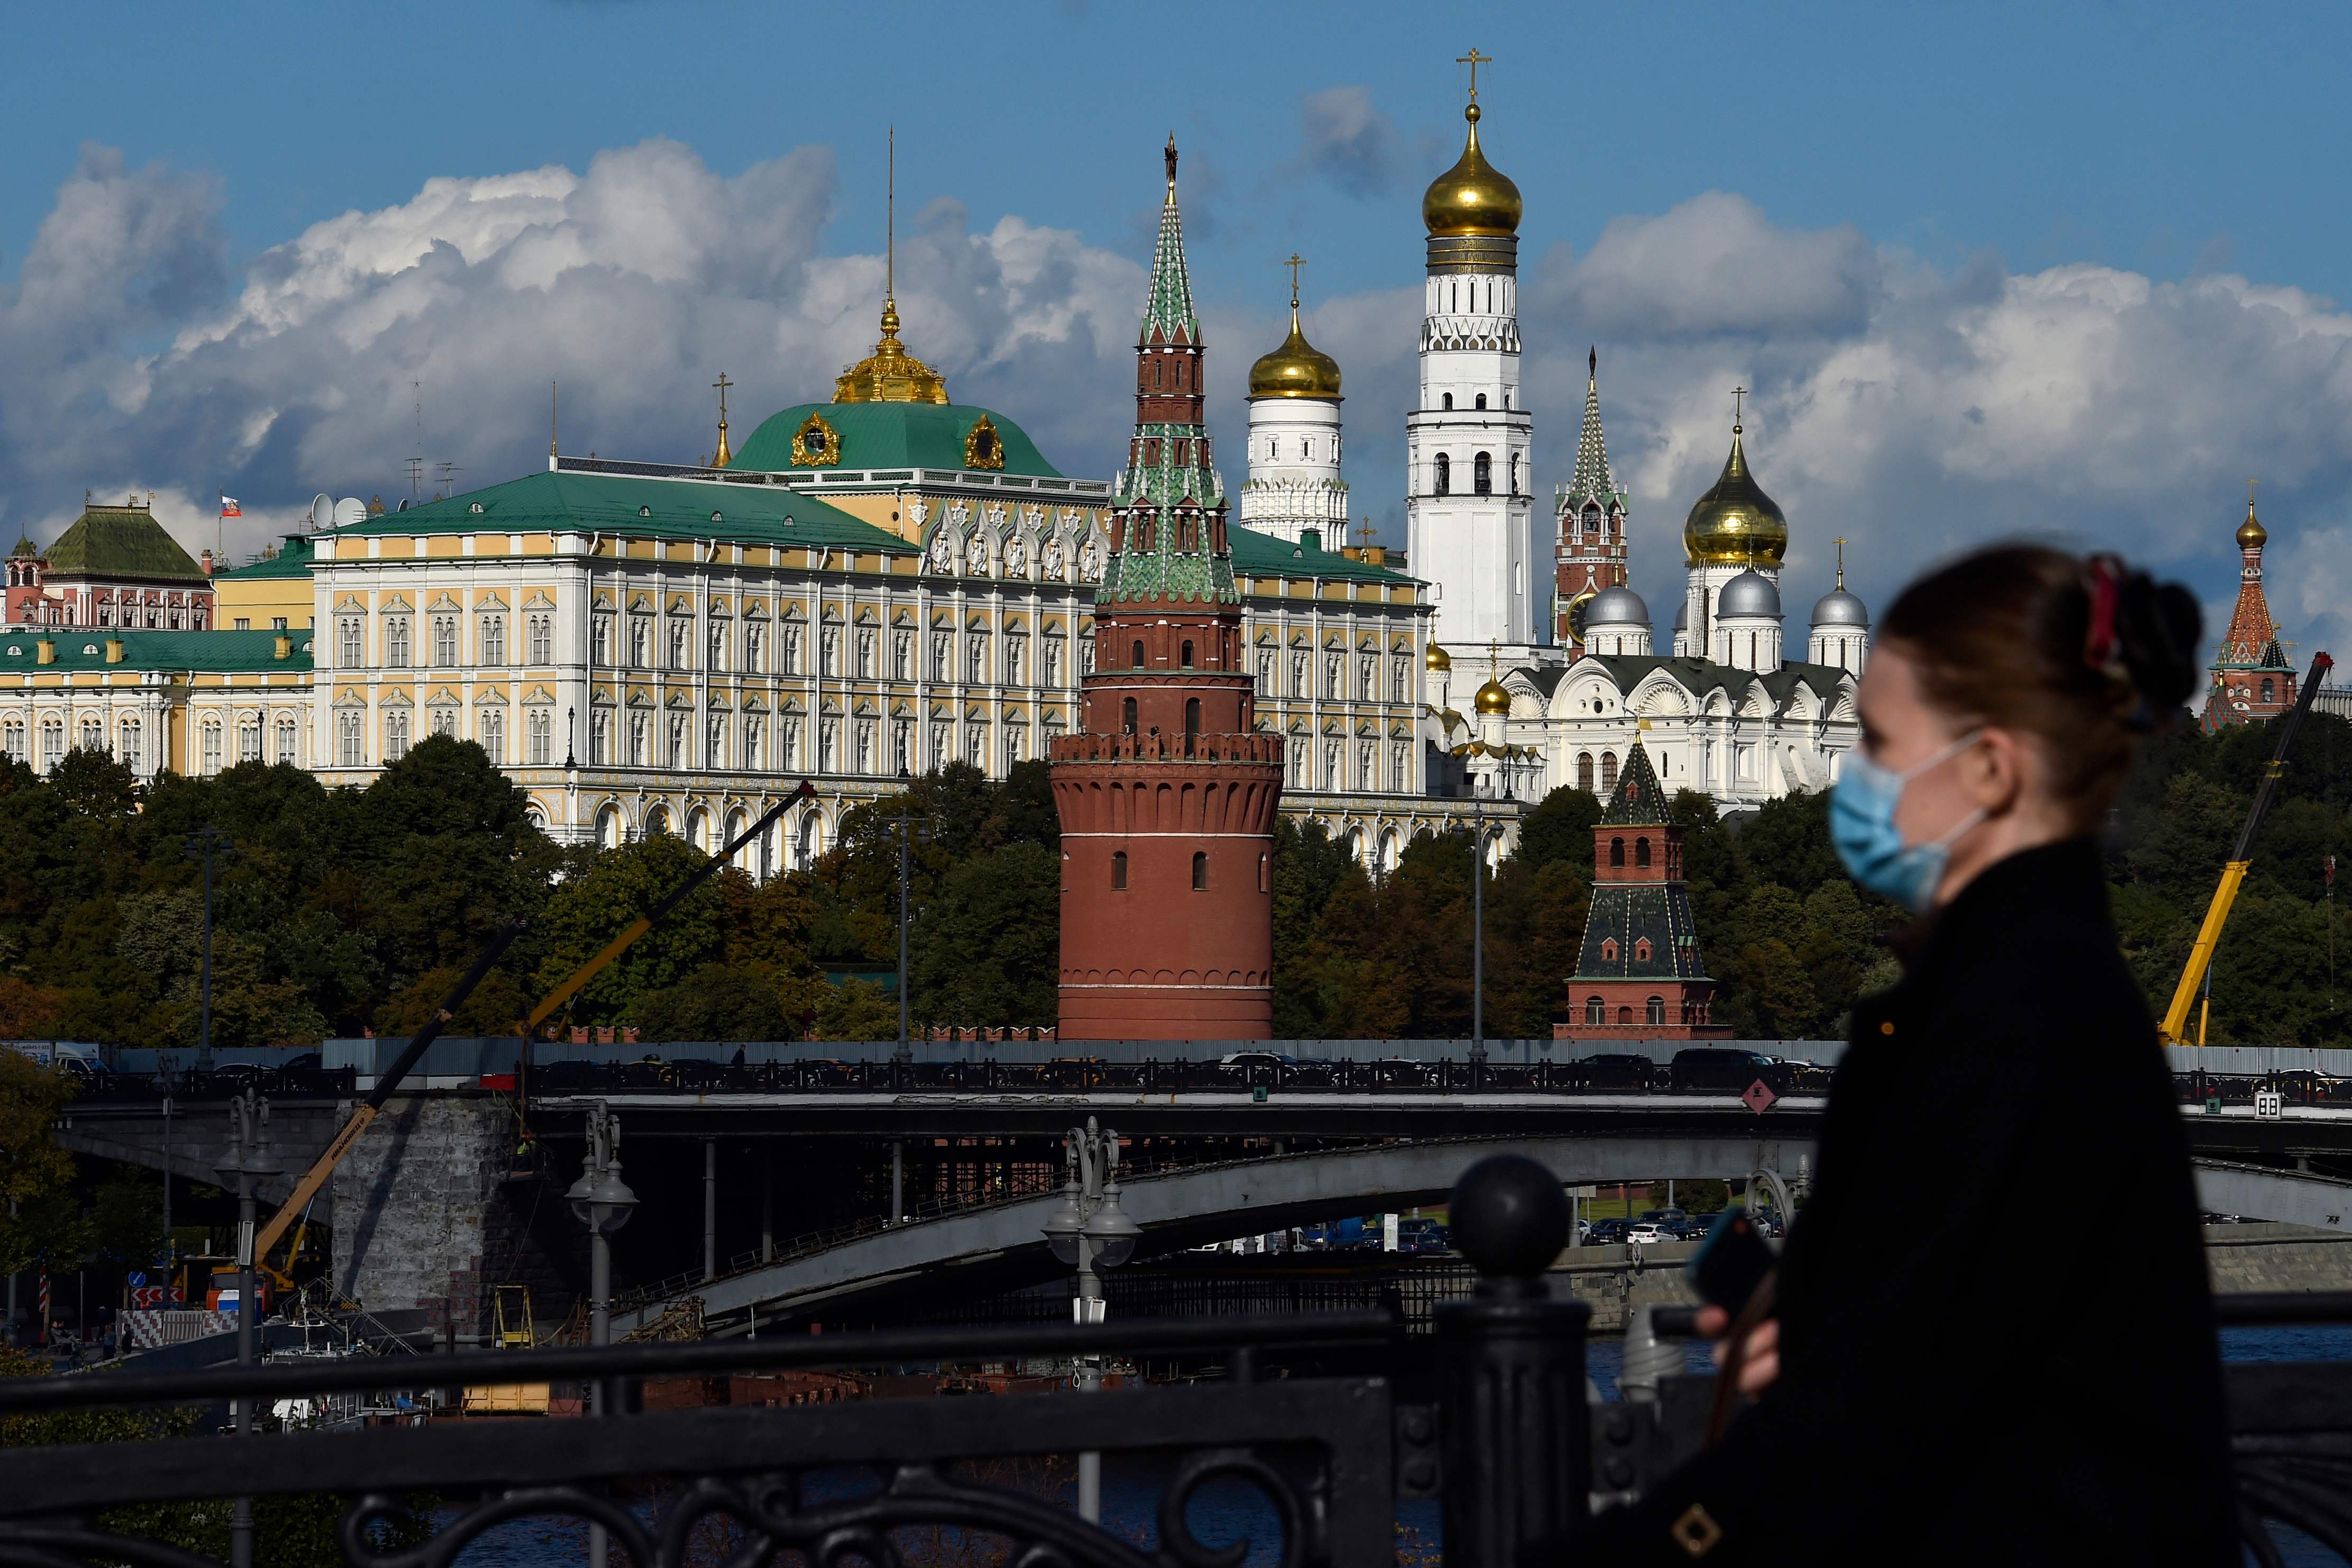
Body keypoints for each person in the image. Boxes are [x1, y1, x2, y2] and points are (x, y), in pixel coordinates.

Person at [1556, 546, 2231, 1566]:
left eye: (1877, 743)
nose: (1853, 780)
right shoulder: (2028, 986)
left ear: (1989, 770)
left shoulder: (1999, 1017)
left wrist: (1645, 1547)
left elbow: (1884, 1414)